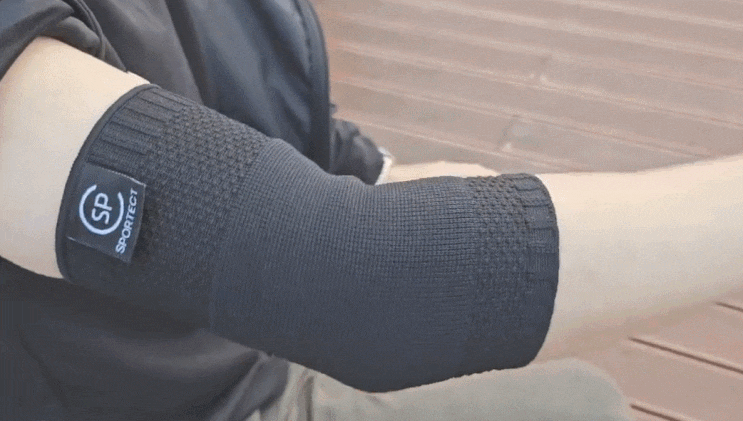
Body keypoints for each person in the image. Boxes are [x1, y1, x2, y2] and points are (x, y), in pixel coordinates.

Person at [2, 1, 743, 420]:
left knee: (575, 394)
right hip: (183, 403)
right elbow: (353, 273)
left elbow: (326, 157)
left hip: (238, 347)